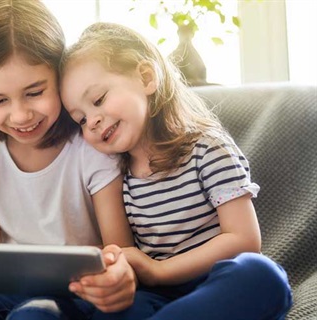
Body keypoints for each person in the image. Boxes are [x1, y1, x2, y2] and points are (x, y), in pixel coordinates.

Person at [0, 3, 138, 320]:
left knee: (35, 315)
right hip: (10, 292)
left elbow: (119, 251)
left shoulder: (92, 150)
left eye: (34, 92)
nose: (20, 115)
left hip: (79, 291)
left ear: (59, 75)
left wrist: (117, 274)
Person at [60, 22, 293, 320]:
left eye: (98, 100)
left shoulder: (208, 148)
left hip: (215, 283)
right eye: (79, 119)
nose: (91, 121)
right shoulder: (117, 175)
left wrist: (159, 271)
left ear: (146, 77)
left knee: (262, 274)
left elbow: (244, 239)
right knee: (114, 308)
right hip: (157, 297)